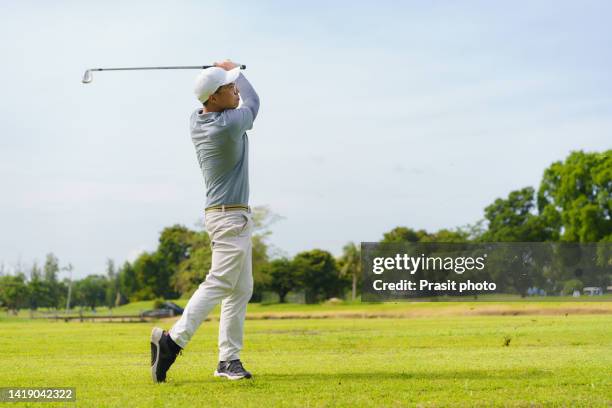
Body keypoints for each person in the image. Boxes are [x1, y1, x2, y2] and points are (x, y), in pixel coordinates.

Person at [150, 59, 260, 382]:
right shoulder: (227, 126)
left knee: (241, 289)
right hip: (230, 218)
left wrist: (221, 75)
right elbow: (255, 103)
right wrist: (235, 69)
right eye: (228, 88)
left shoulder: (196, 119)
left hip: (226, 215)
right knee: (220, 283)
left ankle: (228, 360)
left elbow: (226, 99)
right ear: (213, 98)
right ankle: (172, 341)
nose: (235, 90)